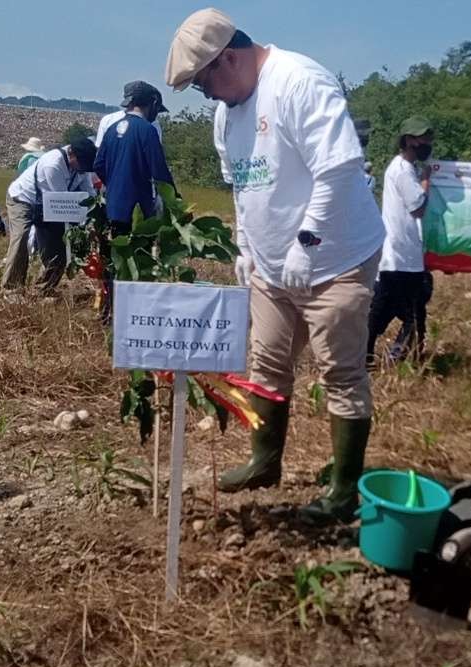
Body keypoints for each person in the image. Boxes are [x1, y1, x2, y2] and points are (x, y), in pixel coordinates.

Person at [167, 8, 385, 525]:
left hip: (336, 259)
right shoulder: (228, 116)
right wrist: (246, 248)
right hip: (270, 266)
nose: (208, 96)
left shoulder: (299, 81)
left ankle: (344, 489)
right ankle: (265, 462)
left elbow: (338, 168)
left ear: (230, 58)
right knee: (266, 364)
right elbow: (243, 188)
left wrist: (306, 244)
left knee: (341, 371)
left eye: (204, 83)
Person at [94, 80, 176, 321]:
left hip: (112, 208)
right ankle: (132, 314)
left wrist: (116, 183)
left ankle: (107, 312)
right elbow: (159, 171)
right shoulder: (147, 131)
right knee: (137, 260)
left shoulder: (111, 129)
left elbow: (99, 166)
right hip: (139, 210)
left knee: (112, 259)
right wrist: (175, 201)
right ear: (151, 104)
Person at [367, 116, 436, 366]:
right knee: (413, 314)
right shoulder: (402, 170)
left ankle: (369, 357)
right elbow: (418, 207)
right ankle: (397, 357)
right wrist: (427, 179)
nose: (427, 143)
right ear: (408, 140)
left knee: (383, 311)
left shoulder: (403, 169)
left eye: (428, 139)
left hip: (399, 256)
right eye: (422, 139)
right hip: (401, 257)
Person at [0, 140, 97, 294]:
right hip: (23, 199)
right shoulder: (53, 164)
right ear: (71, 154)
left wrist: (93, 214)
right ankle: (11, 289)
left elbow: (89, 194)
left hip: (50, 206)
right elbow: (62, 201)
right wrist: (80, 222)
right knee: (22, 237)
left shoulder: (82, 167)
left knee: (59, 246)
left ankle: (43, 289)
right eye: (82, 164)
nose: (83, 169)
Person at [95, 82, 166, 149]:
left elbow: (99, 152)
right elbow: (154, 156)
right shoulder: (152, 126)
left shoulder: (108, 120)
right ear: (153, 105)